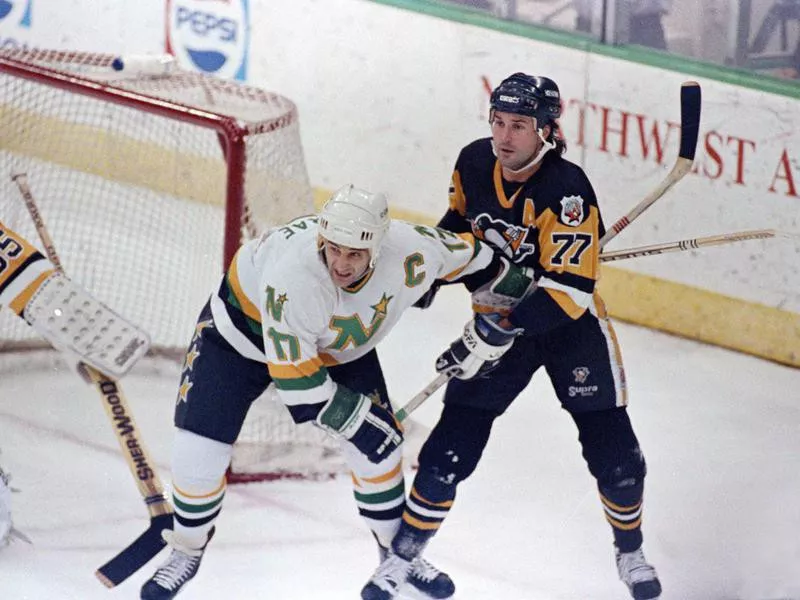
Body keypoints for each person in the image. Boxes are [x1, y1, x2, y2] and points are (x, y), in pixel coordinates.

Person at [140, 185, 528, 599]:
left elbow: (485, 263)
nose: (341, 264)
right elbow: (300, 386)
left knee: (379, 456)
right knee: (197, 454)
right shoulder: (295, 279)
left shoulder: (413, 248)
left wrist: (509, 312)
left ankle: (397, 555)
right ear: (322, 239)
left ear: (378, 248)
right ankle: (187, 549)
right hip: (237, 338)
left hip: (334, 348)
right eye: (334, 250)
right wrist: (359, 422)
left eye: (355, 255)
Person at [361, 73, 662, 600]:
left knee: (615, 459)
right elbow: (459, 224)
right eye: (498, 122)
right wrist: (434, 272)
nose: (504, 136)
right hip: (494, 322)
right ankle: (403, 558)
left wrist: (501, 327)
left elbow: (570, 290)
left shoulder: (566, 190)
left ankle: (630, 549)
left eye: (519, 125)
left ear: (546, 130)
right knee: (447, 453)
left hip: (567, 329)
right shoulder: (474, 161)